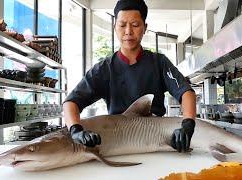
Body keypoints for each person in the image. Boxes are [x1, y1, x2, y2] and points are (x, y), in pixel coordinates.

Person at [63, 0, 196, 153]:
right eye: (122, 25)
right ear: (115, 28)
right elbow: (71, 102)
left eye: (135, 25)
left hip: (159, 140)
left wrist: (187, 123)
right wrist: (75, 129)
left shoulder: (159, 62)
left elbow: (186, 92)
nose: (128, 31)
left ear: (145, 28)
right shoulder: (104, 69)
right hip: (118, 142)